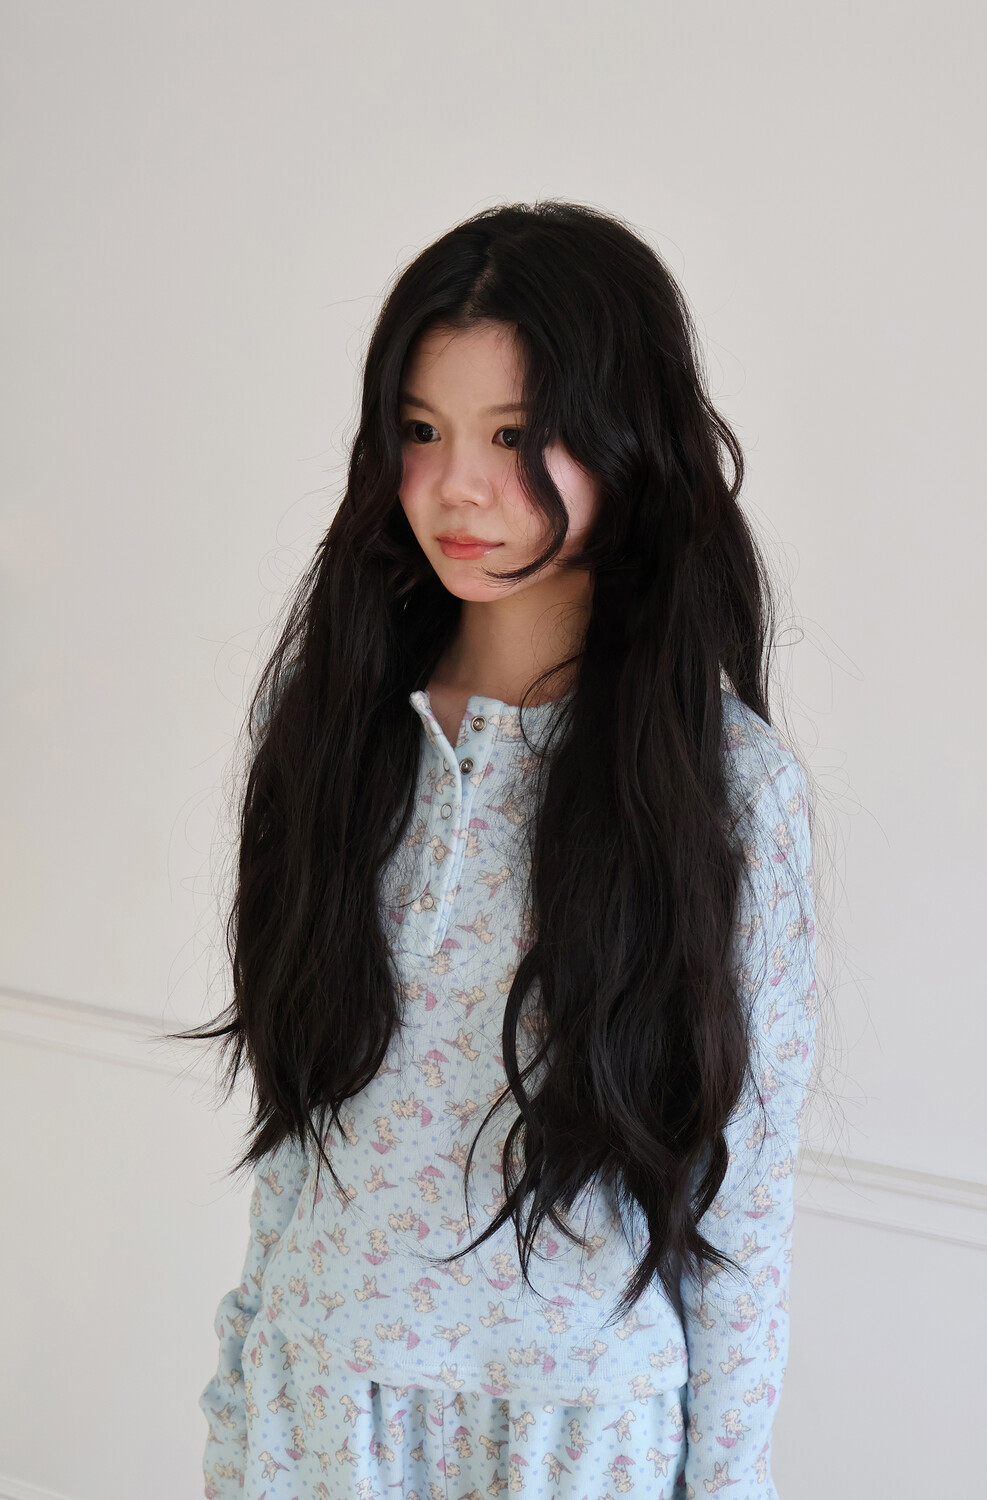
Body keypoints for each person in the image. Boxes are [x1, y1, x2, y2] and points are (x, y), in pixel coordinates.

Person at [177, 200, 819, 1499]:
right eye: (422, 432)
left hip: (572, 1434)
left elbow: (740, 1200)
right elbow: (305, 1121)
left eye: (516, 436)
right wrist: (241, 1402)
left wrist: (726, 1484)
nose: (458, 486)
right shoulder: (338, 725)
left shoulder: (723, 788)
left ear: (629, 441)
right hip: (321, 1409)